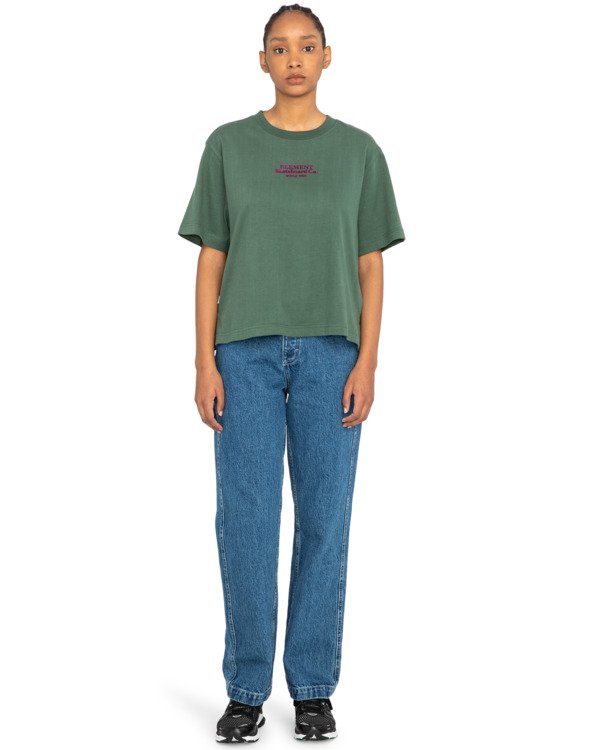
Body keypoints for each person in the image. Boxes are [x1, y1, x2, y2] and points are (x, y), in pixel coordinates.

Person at [177, 4, 405, 742]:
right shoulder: (228, 146)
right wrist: (203, 360)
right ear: (263, 60)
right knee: (245, 521)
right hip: (241, 355)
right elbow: (211, 259)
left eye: (308, 46)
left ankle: (312, 689)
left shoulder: (360, 152)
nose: (295, 59)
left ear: (328, 57)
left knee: (324, 521)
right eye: (281, 47)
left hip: (333, 354)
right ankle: (246, 690)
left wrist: (367, 360)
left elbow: (371, 266)